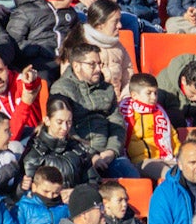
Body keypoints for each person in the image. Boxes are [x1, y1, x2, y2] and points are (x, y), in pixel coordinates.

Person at [50, 43, 138, 178]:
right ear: (76, 66)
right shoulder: (62, 89)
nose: (98, 69)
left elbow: (117, 123)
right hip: (77, 156)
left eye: (100, 64)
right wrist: (91, 155)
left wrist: (111, 151)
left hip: (108, 155)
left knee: (130, 174)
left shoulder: (107, 89)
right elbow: (66, 130)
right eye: (92, 65)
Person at [19, 96, 97, 190]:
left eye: (68, 122)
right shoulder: (34, 153)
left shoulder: (78, 149)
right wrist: (21, 188)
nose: (65, 128)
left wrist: (75, 194)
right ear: (47, 121)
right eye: (59, 122)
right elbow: (25, 194)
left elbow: (94, 182)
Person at [120, 73, 179, 179]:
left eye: (155, 93)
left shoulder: (160, 113)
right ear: (134, 95)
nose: (154, 97)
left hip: (165, 158)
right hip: (140, 163)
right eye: (149, 93)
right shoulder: (124, 113)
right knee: (170, 174)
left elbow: (173, 136)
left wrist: (180, 154)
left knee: (188, 170)